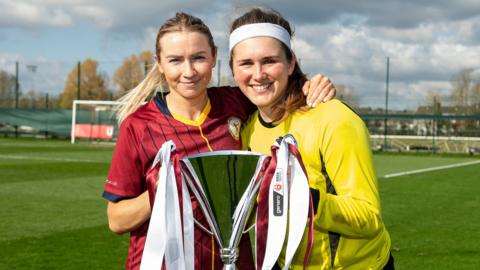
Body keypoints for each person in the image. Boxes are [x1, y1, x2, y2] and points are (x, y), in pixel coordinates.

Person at [103, 12, 336, 270]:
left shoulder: (236, 102)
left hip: (236, 262)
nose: (189, 71)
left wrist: (312, 85)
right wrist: (167, 189)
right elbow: (116, 220)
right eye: (175, 60)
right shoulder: (138, 126)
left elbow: (274, 87)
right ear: (159, 63)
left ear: (214, 57)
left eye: (198, 58)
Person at [230, 7, 394, 270]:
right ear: (233, 70)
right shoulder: (247, 129)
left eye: (270, 60)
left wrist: (308, 201)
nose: (258, 74)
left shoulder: (333, 118)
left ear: (291, 63)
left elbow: (369, 217)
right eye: (246, 63)